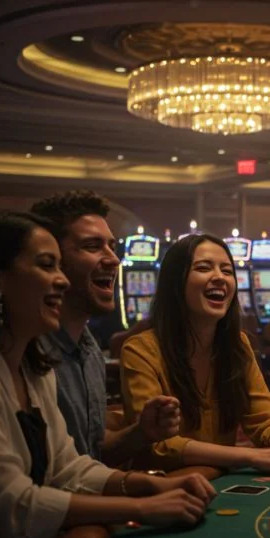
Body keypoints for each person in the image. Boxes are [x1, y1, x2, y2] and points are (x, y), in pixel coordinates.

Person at [0, 210, 215, 538]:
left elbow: (68, 465)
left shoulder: (33, 368)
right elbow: (12, 503)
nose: (60, 279)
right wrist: (139, 508)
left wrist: (149, 486)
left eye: (59, 266)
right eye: (46, 265)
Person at [121, 234, 270, 474]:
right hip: (162, 488)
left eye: (227, 271)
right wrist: (250, 456)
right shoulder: (141, 350)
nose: (219, 277)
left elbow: (263, 419)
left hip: (218, 479)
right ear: (175, 281)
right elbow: (160, 445)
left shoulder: (237, 344)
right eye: (203, 268)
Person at [31, 191, 181, 467]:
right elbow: (46, 480)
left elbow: (93, 451)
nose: (114, 259)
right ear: (51, 259)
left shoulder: (89, 351)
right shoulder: (26, 354)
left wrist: (142, 433)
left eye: (112, 246)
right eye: (92, 246)